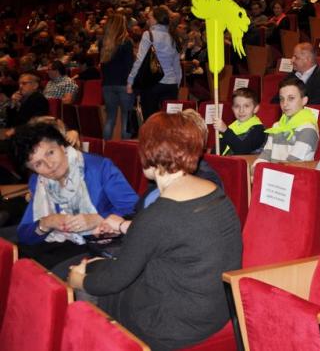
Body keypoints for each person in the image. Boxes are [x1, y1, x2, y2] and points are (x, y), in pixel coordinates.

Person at [68, 112, 242, 351]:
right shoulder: (215, 192)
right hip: (216, 310)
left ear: (149, 153)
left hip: (174, 324)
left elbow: (114, 280)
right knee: (100, 266)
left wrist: (80, 280)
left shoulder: (158, 215)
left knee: (86, 283)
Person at [9, 123, 138, 270]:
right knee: (19, 260)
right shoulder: (39, 182)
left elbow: (135, 209)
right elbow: (24, 234)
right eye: (38, 164)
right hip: (62, 243)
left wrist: (98, 218)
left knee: (44, 270)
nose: (49, 165)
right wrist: (47, 222)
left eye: (50, 153)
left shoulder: (99, 167)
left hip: (97, 243)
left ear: (62, 146)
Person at [127, 5, 182, 121]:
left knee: (151, 121)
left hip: (152, 84)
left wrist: (130, 81)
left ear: (157, 19)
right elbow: (177, 66)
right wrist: (176, 85)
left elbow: (140, 60)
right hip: (171, 85)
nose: (148, 20)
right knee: (170, 122)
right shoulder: (173, 36)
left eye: (150, 18)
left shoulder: (148, 35)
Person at [256, 76, 319, 163]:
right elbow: (266, 154)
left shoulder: (308, 129)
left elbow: (293, 161)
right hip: (273, 170)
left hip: (293, 171)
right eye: (282, 99)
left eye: (291, 98)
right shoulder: (277, 126)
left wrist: (265, 170)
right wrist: (255, 167)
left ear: (304, 100)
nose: (285, 104)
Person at [100, 14, 134, 140]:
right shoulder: (126, 42)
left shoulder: (102, 42)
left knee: (110, 118)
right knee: (126, 117)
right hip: (124, 84)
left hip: (107, 85)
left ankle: (106, 146)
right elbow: (129, 66)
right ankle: (125, 147)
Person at [214, 87, 266, 156]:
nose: (241, 110)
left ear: (255, 109)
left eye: (246, 106)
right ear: (232, 109)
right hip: (225, 160)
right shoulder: (232, 127)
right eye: (237, 106)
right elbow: (216, 151)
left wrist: (225, 131)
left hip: (246, 162)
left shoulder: (258, 129)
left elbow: (242, 150)